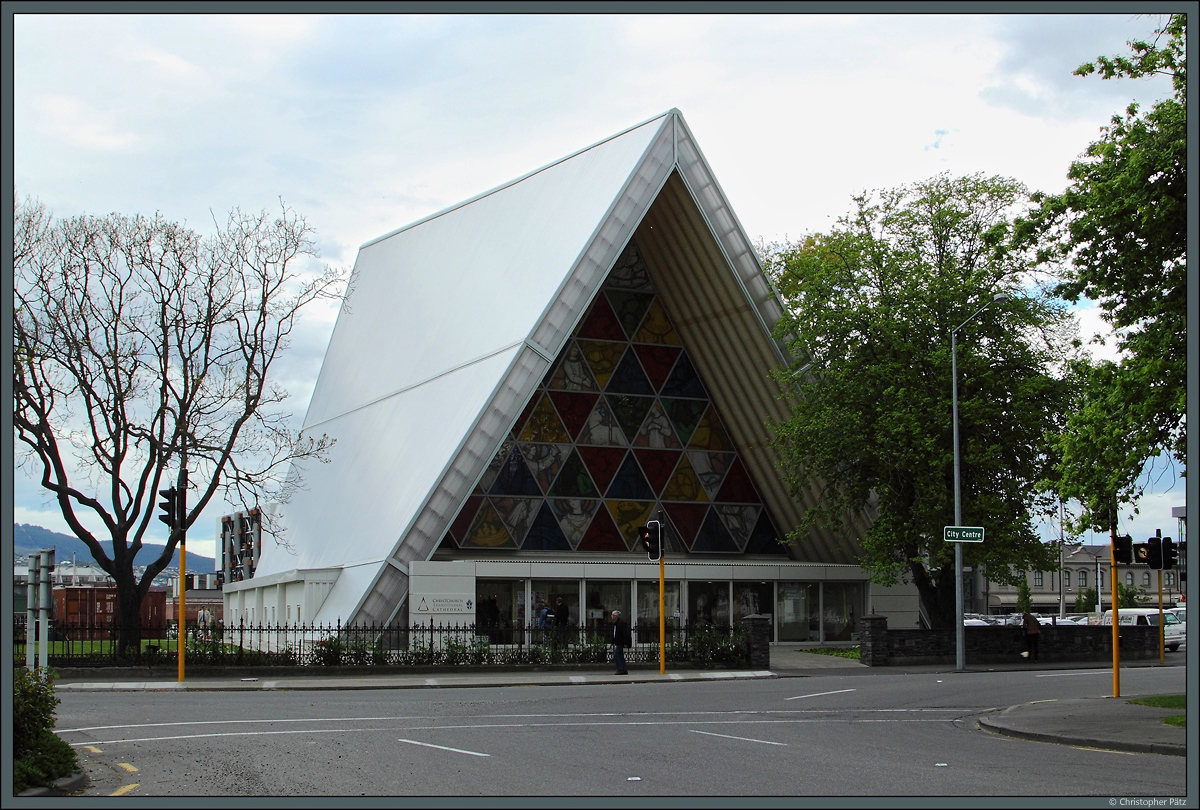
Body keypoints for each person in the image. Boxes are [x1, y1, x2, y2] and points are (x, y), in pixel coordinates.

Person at [610, 609, 631, 674]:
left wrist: (625, 642)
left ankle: (620, 669)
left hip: (620, 642)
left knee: (617, 654)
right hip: (617, 641)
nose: (611, 616)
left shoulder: (620, 623)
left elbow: (624, 634)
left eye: (613, 615)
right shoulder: (615, 623)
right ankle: (623, 669)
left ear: (616, 616)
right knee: (620, 655)